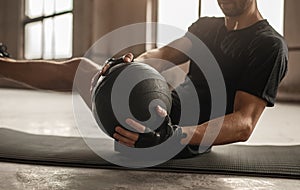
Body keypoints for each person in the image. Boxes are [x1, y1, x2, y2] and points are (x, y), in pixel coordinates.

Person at [0, 0, 288, 158]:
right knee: (81, 68)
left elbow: (244, 123)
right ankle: (2, 65)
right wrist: (129, 67)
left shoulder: (268, 45)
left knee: (84, 73)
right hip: (161, 104)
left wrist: (175, 135)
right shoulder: (207, 27)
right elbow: (162, 54)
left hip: (184, 135)